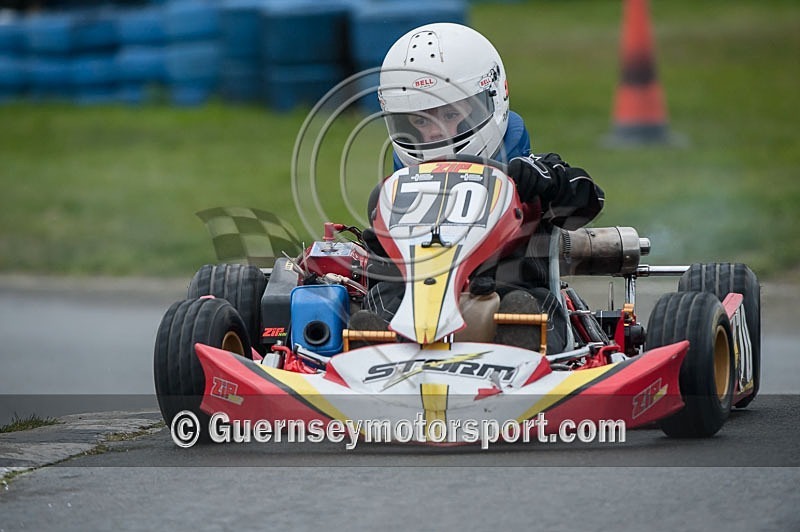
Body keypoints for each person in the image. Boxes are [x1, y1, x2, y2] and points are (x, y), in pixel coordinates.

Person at [354, 22, 604, 353]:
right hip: (414, 303)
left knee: (527, 305)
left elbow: (589, 199)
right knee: (381, 299)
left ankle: (522, 349)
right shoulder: (393, 193)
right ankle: (371, 349)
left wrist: (548, 182)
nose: (433, 133)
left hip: (510, 291)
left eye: (450, 113)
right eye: (419, 120)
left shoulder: (530, 173)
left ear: (493, 97)